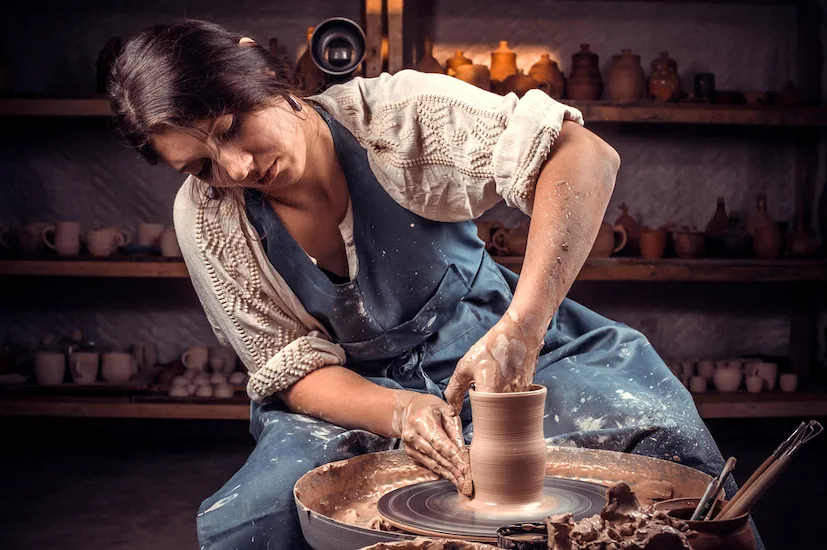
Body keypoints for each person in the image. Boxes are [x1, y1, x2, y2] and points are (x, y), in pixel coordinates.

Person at [109, 19, 755, 550]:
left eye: (230, 129)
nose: (237, 167)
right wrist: (400, 411)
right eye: (201, 164)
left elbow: (582, 156)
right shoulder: (207, 216)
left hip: (493, 341)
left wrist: (523, 328)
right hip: (354, 390)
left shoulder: (395, 119)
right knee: (255, 519)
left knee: (660, 434)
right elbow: (287, 367)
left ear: (253, 67)